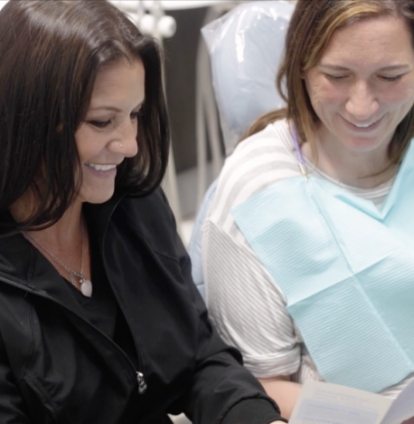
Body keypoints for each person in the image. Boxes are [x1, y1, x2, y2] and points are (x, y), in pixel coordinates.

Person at [0, 1, 287, 423]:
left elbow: (199, 356)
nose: (129, 145)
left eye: (134, 115)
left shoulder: (132, 203)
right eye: (102, 122)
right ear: (29, 119)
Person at [200, 0, 414, 420]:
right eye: (337, 76)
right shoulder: (260, 190)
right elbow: (260, 385)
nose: (362, 106)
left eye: (390, 77)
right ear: (301, 65)